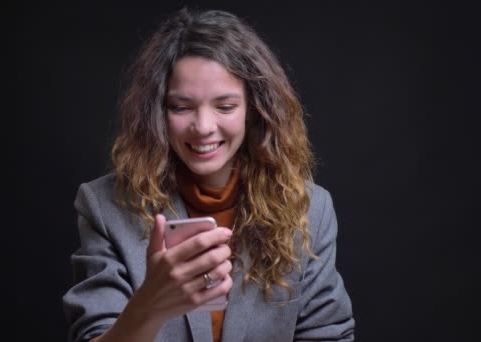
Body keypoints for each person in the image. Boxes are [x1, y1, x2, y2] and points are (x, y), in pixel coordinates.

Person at [63, 7, 354, 342]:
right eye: (181, 107)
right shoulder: (104, 207)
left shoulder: (309, 209)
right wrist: (150, 305)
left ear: (253, 110)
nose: (202, 127)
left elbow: (328, 334)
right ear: (158, 112)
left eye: (225, 106)